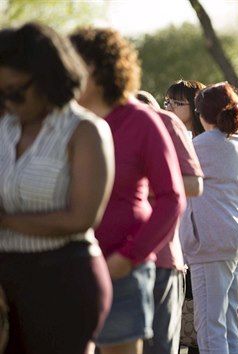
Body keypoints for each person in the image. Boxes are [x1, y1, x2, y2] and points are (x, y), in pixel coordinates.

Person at [70, 27, 186, 354]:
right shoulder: (62, 122)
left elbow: (172, 198)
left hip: (121, 270)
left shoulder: (141, 121)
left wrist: (129, 258)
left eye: (73, 63)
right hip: (66, 267)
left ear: (100, 68)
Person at [0, 23, 113, 354]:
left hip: (62, 280)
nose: (9, 101)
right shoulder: (3, 128)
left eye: (16, 91)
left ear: (49, 77)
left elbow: (81, 218)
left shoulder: (85, 131)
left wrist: (5, 221)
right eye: (1, 93)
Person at [178, 82, 238, 353]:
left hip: (211, 241)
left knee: (209, 326)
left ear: (201, 113)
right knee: (228, 320)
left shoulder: (198, 146)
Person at [136, 90, 204, 354]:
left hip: (163, 255)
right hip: (109, 255)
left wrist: (139, 185)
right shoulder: (100, 124)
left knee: (161, 344)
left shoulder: (166, 126)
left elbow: (191, 186)